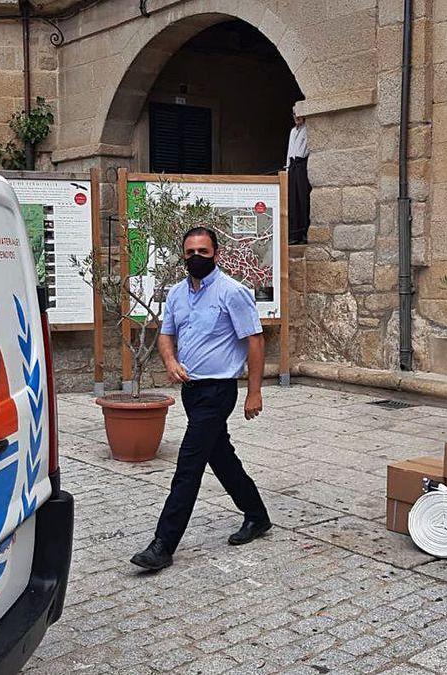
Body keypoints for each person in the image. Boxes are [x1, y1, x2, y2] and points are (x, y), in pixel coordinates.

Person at [130, 227, 272, 571]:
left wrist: (254, 392)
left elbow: (255, 340)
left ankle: (163, 544)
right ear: (183, 254)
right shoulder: (177, 293)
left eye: (203, 252)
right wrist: (170, 360)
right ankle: (257, 515)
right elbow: (167, 334)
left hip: (219, 391)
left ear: (216, 254)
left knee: (189, 465)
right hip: (192, 391)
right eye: (190, 251)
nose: (196, 257)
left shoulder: (232, 292)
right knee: (220, 457)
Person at [286, 107, 311, 245]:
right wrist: (287, 168)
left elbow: (306, 148)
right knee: (292, 199)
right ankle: (294, 233)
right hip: (292, 166)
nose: (297, 117)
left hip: (301, 165)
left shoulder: (308, 129)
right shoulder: (292, 131)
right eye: (295, 115)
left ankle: (304, 232)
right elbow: (290, 151)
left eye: (299, 114)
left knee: (303, 198)